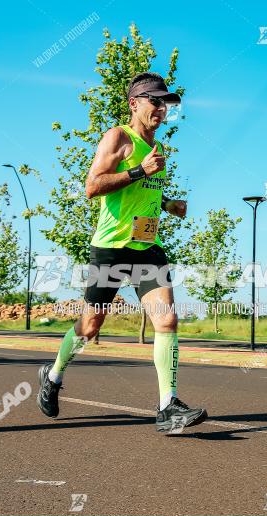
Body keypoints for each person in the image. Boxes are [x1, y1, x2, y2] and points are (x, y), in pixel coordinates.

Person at [36, 72, 207, 433]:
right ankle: (52, 376)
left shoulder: (159, 151)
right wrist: (137, 170)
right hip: (111, 248)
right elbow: (93, 186)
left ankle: (167, 407)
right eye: (155, 101)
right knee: (90, 325)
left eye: (166, 103)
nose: (162, 108)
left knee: (167, 320)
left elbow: (141, 195)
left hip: (146, 248)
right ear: (135, 103)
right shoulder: (119, 137)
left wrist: (167, 204)